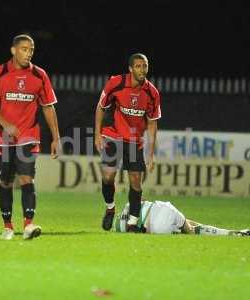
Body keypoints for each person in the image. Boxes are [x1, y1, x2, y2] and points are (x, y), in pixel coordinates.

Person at [0, 34, 60, 240]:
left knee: (27, 178)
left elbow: (48, 107)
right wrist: (6, 124)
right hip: (3, 139)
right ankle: (7, 226)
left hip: (28, 136)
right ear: (13, 50)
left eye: (31, 50)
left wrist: (56, 137)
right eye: (24, 49)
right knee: (6, 181)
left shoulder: (39, 75)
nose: (28, 53)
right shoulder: (0, 73)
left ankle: (28, 224)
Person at [94, 53, 161, 232]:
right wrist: (97, 134)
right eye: (138, 66)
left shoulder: (152, 92)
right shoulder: (116, 83)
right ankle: (110, 208)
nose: (142, 70)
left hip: (135, 141)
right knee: (108, 176)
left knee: (136, 181)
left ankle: (132, 222)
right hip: (113, 136)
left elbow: (153, 122)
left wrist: (150, 152)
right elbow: (101, 107)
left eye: (144, 66)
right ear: (130, 69)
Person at [116, 199, 250, 236]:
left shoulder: (119, 226)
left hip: (157, 231)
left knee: (188, 230)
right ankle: (231, 233)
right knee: (190, 228)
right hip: (165, 210)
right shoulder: (131, 203)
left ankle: (233, 234)